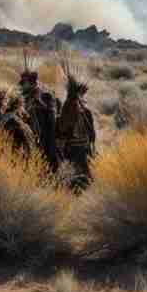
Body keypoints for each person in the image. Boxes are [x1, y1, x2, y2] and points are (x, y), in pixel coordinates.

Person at [57, 54, 97, 191]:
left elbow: (63, 128)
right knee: (81, 171)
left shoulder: (78, 109)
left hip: (78, 147)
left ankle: (80, 188)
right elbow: (92, 135)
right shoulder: (76, 108)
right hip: (78, 146)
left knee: (80, 171)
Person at [18, 53, 60, 172]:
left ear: (32, 81)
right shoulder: (22, 94)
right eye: (22, 82)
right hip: (28, 124)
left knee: (50, 136)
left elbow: (51, 108)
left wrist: (38, 101)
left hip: (45, 125)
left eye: (25, 82)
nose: (22, 84)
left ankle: (52, 160)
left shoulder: (45, 94)